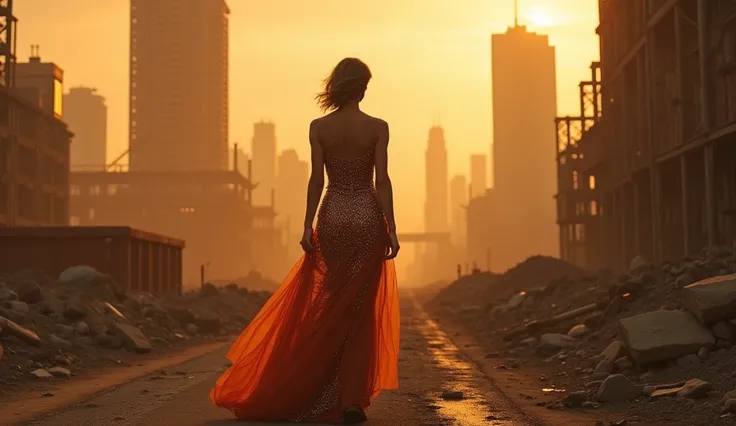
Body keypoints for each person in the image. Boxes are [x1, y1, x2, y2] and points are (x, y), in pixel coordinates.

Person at [210, 57, 401, 424]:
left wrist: (305, 225)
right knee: (358, 312)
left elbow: (316, 180)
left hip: (331, 217)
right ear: (361, 87)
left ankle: (315, 389)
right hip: (365, 218)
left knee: (330, 305)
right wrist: (390, 226)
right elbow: (383, 181)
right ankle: (350, 400)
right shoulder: (378, 127)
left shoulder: (319, 127)